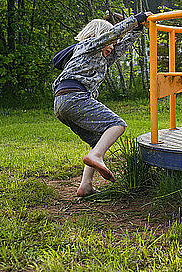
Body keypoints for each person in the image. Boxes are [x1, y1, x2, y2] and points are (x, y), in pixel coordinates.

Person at [52, 11, 151, 197]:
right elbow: (112, 35)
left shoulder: (101, 57)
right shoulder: (87, 46)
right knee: (117, 125)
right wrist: (136, 18)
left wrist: (137, 29)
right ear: (97, 37)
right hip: (75, 97)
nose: (112, 46)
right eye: (110, 42)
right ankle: (95, 156)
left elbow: (121, 46)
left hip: (61, 103)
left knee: (99, 141)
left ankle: (86, 185)